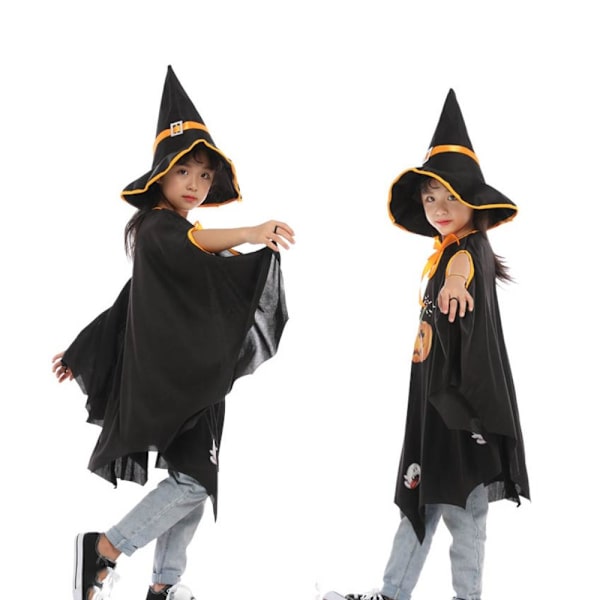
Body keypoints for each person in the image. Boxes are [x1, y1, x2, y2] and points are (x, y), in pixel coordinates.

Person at [52, 65, 295, 600]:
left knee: (196, 479)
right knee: (193, 481)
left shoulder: (181, 236)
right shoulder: (157, 229)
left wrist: (80, 347)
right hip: (177, 383)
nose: (195, 184)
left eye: (205, 176)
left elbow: (128, 302)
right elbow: (179, 258)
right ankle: (104, 549)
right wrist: (252, 232)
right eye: (184, 171)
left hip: (197, 381)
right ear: (160, 174)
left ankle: (163, 586)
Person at [326, 89, 529, 600]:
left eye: (451, 198)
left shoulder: (467, 252)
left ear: (473, 203)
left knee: (464, 511)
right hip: (433, 406)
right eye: (430, 197)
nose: (439, 208)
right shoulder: (446, 251)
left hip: (461, 408)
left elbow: (463, 269)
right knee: (421, 503)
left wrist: (455, 284)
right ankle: (392, 593)